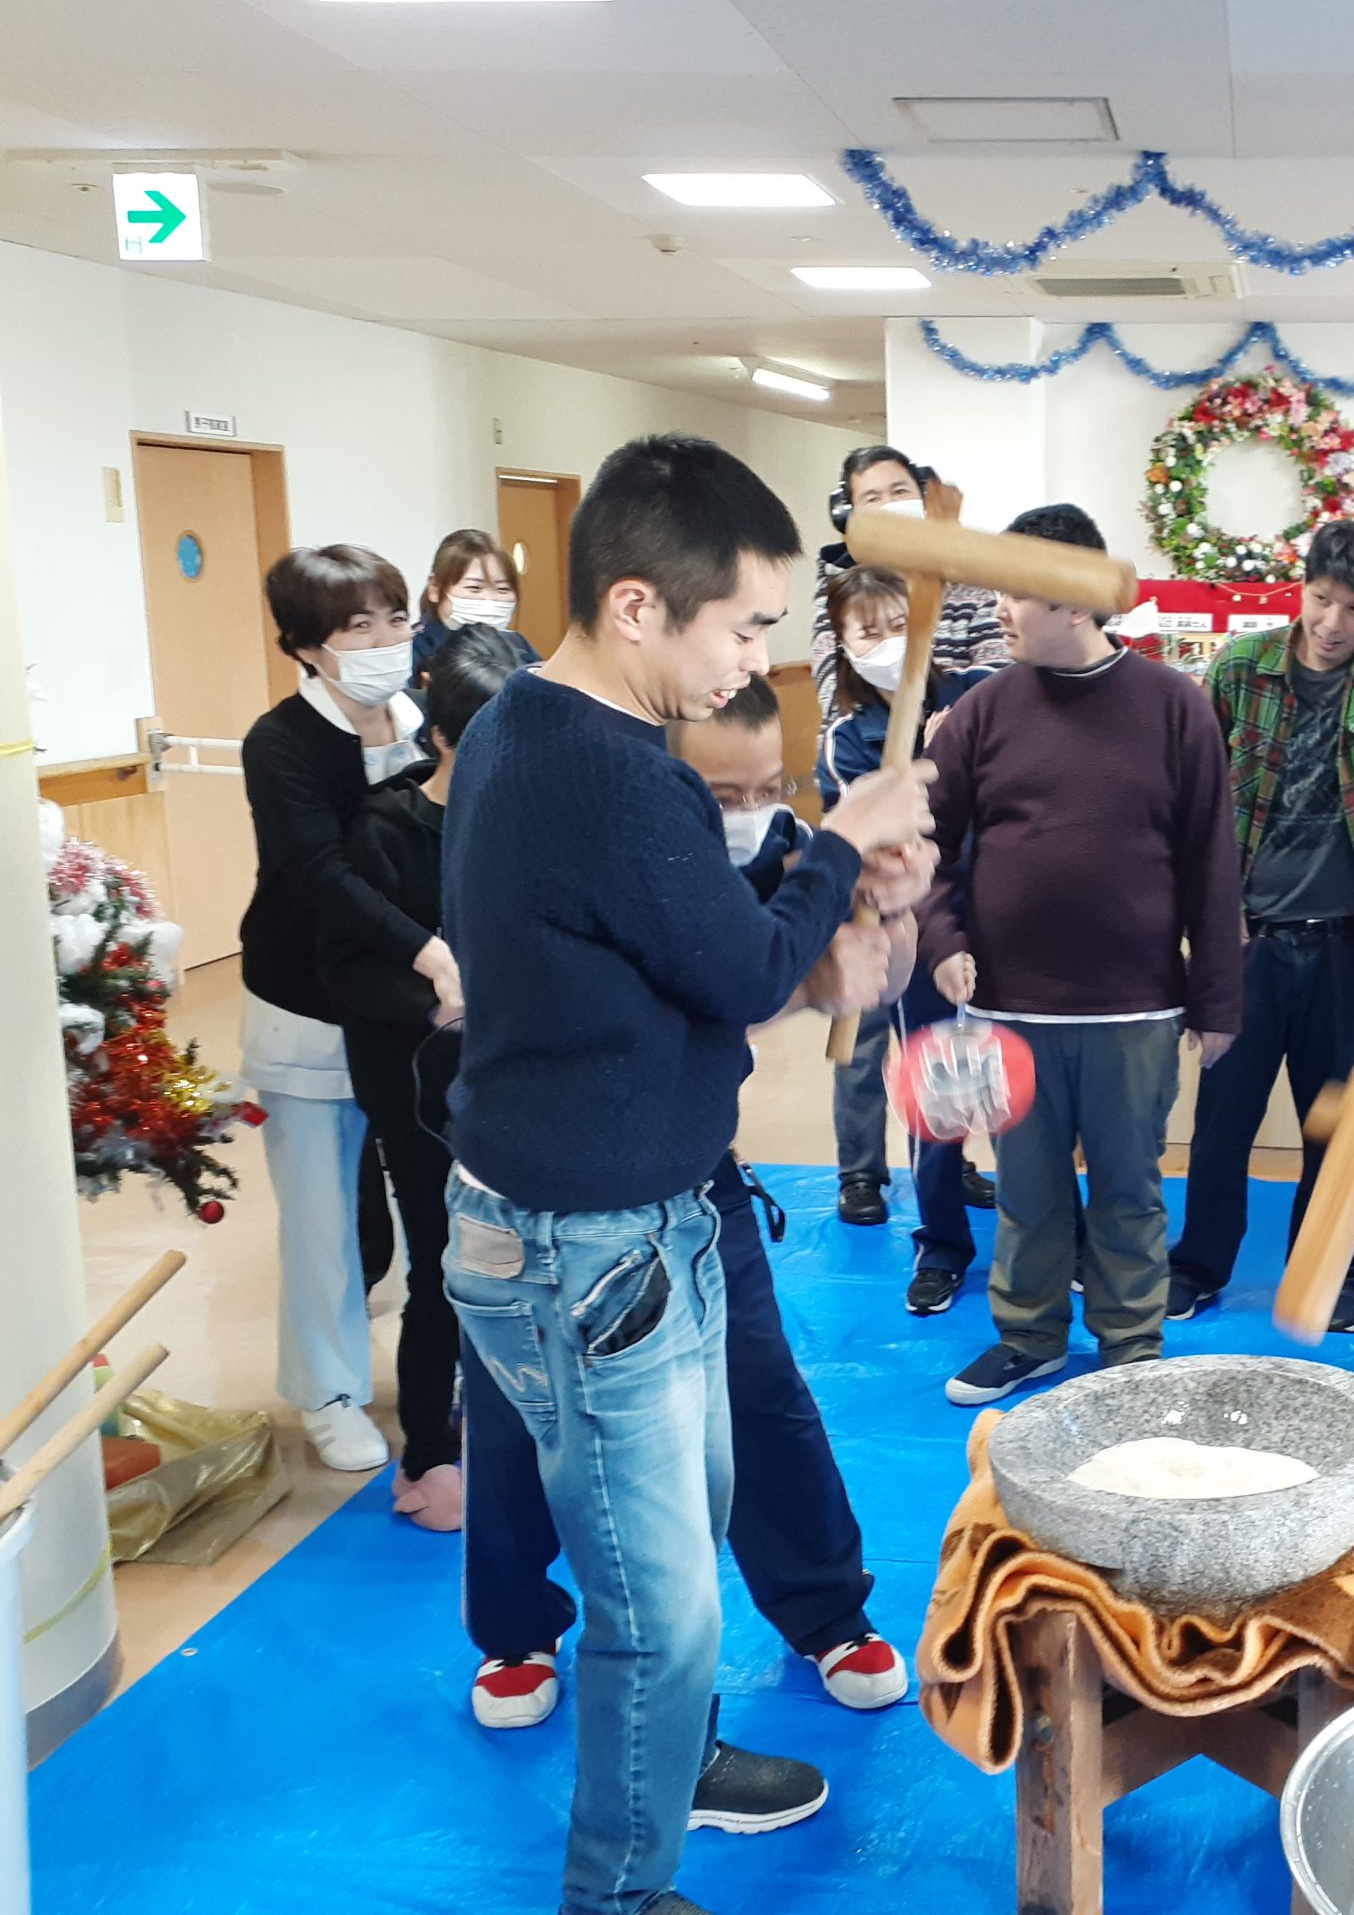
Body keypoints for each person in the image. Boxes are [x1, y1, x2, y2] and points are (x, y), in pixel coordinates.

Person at [442, 433, 935, 1915]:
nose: (753, 662)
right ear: (639, 606)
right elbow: (737, 975)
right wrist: (840, 849)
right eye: (742, 628)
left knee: (694, 1520)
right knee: (657, 1609)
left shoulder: (523, 726)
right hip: (590, 1247)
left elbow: (665, 957)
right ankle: (620, 1892)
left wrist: (821, 897)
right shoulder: (611, 773)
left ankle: (676, 1764)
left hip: (641, 1216)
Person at [463, 670, 917, 1739]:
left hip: (688, 1170)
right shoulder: (598, 824)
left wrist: (884, 904)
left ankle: (826, 1609)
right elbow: (713, 993)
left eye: (767, 787)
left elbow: (844, 968)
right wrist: (803, 977)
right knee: (521, 1406)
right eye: (721, 795)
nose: (750, 813)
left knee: (757, 1381)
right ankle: (517, 1628)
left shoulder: (781, 847)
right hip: (541, 1181)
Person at [921, 503, 1244, 1407]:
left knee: (1129, 1189)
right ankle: (1028, 1337)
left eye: (1017, 591)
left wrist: (1218, 999)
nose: (999, 609)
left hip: (1135, 1009)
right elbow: (925, 844)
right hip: (1009, 1008)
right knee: (1027, 1192)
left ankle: (1130, 1347)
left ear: (1072, 598)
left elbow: (1212, 861)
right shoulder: (983, 710)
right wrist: (943, 941)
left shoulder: (1175, 707)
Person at [1166, 522, 1354, 1335]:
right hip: (1251, 943)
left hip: (1347, 946)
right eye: (1322, 600)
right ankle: (1197, 1265)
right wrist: (1203, 927)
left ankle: (1330, 1270)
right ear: (1300, 591)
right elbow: (1192, 795)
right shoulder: (1242, 668)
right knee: (1221, 1123)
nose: (1334, 623)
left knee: (1334, 1127)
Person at [239, 543, 457, 1473]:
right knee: (324, 1215)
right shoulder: (280, 742)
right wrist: (426, 950)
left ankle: (438, 1375)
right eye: (356, 626)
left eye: (395, 618)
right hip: (310, 1004)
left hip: (416, 1015)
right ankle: (329, 1394)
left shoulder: (427, 720)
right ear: (305, 645)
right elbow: (320, 871)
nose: (384, 640)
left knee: (433, 1206)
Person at [319, 627, 523, 1529]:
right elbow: (347, 971)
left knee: (517, 1259)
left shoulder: (531, 817)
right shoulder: (386, 827)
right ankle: (428, 1454)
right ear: (441, 736)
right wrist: (434, 1005)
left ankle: (502, 1418)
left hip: (515, 1079)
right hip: (416, 1087)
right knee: (442, 1259)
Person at [816, 565, 992, 1302]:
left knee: (1009, 1079)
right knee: (934, 1075)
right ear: (843, 643)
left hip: (996, 910)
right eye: (869, 632)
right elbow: (886, 840)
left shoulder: (976, 694)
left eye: (900, 625)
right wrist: (934, 757)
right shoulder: (848, 738)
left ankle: (1048, 1234)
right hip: (910, 925)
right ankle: (941, 1241)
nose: (889, 643)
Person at [809, 445, 1006, 722]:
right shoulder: (840, 592)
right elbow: (835, 695)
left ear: (922, 497)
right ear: (849, 515)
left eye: (900, 491)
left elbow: (998, 682)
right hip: (866, 743)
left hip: (963, 738)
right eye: (872, 498)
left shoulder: (969, 585)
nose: (889, 505)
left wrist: (946, 733)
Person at [410, 528, 537, 678]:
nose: (490, 600)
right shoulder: (412, 649)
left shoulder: (519, 645)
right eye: (474, 588)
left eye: (503, 589)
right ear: (435, 588)